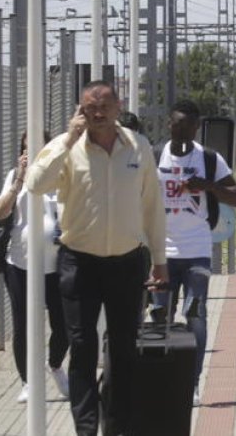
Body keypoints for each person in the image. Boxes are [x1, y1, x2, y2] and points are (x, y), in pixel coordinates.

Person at [25, 80, 167, 436]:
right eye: (90, 107)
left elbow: (152, 206)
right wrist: (68, 139)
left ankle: (115, 426)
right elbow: (36, 184)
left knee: (122, 352)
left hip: (127, 262)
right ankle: (86, 429)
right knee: (82, 347)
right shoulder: (66, 147)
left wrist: (160, 258)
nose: (98, 113)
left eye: (104, 105)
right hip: (80, 262)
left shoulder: (139, 147)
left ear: (118, 107)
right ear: (80, 110)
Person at [153, 99, 236, 405]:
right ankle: (164, 379)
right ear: (169, 124)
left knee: (195, 316)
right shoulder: (155, 156)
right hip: (161, 252)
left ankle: (191, 383)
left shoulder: (209, 159)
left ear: (196, 127)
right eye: (176, 124)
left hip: (196, 250)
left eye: (188, 126)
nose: (182, 131)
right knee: (160, 316)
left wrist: (208, 186)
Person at [0, 129, 69, 404]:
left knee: (64, 324)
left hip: (56, 265)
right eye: (26, 149)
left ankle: (55, 363)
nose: (32, 154)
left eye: (38, 148)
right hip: (20, 262)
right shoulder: (15, 177)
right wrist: (19, 180)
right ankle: (26, 381)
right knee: (23, 324)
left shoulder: (61, 175)